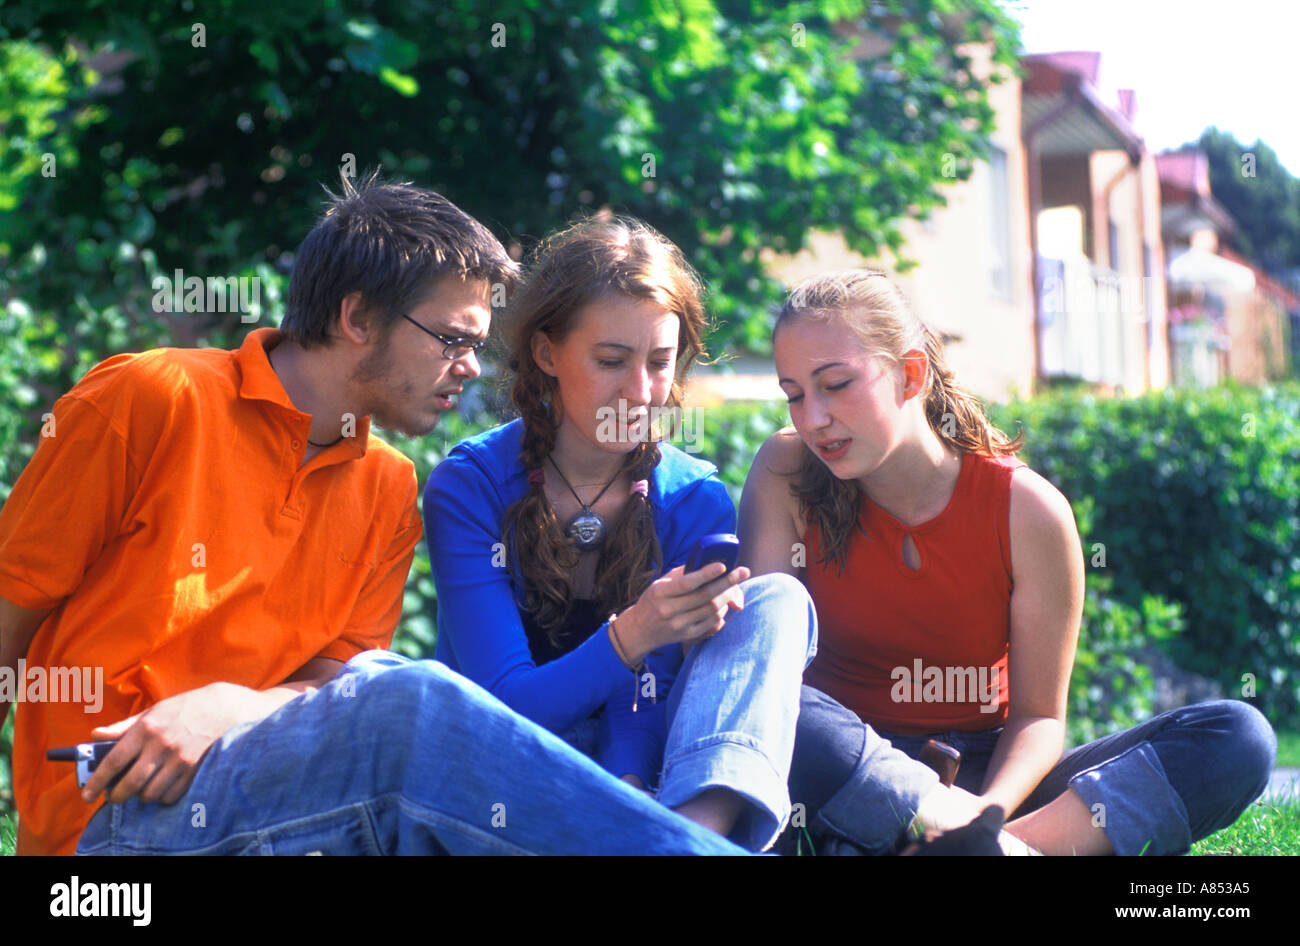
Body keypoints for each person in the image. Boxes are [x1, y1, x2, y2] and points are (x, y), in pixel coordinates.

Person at [0, 174, 749, 856]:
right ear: (358, 316)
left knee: (388, 688)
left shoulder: (387, 484)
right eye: (453, 340)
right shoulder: (153, 399)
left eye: (477, 346)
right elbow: (11, 613)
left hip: (272, 797)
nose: (469, 369)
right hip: (105, 817)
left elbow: (330, 683)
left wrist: (229, 706)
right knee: (405, 693)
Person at [739, 270, 1276, 855]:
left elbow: (1039, 719)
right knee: (777, 701)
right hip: (844, 768)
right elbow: (769, 669)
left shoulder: (1028, 510)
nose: (811, 417)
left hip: (988, 779)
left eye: (835, 384)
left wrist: (984, 816)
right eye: (794, 394)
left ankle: (979, 848)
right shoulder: (786, 472)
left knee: (1238, 737)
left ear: (910, 374)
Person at [424, 216, 817, 851]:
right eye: (611, 360)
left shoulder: (693, 499)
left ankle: (689, 839)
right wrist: (635, 633)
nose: (639, 393)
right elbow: (508, 704)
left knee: (775, 604)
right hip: (502, 775)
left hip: (653, 780)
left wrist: (629, 783)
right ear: (547, 353)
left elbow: (654, 699)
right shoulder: (469, 488)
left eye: (660, 363)